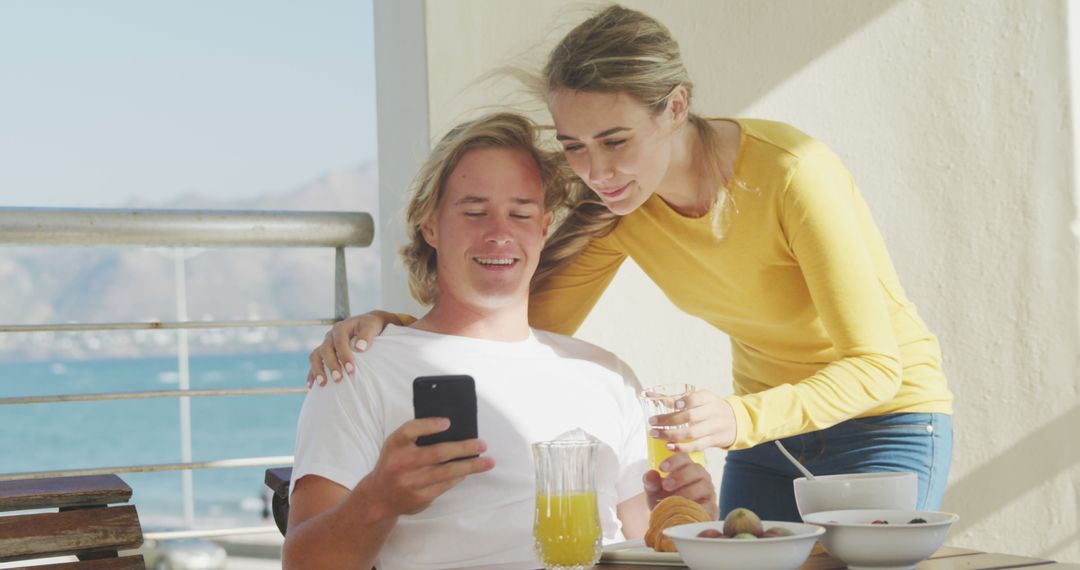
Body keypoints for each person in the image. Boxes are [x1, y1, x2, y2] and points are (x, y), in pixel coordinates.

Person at [307, 5, 954, 522]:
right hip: (766, 440)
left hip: (885, 424)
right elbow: (512, 330)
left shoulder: (792, 174)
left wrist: (738, 418)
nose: (596, 172)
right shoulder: (620, 208)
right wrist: (396, 328)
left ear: (674, 107)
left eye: (615, 141)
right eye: (574, 147)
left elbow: (875, 367)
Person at [283, 113, 716, 570]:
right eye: (474, 211)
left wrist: (691, 519)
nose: (499, 233)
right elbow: (303, 563)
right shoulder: (358, 369)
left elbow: (647, 544)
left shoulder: (605, 374)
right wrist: (379, 499)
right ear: (429, 225)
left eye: (521, 213)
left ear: (544, 226)